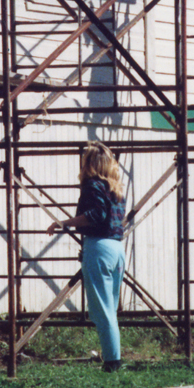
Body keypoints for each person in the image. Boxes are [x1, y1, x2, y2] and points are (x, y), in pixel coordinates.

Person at [46, 141, 128, 372]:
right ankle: (113, 357)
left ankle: (112, 361)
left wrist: (65, 223)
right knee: (109, 307)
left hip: (99, 247)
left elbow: (96, 215)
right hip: (116, 247)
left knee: (100, 309)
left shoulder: (92, 185)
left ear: (90, 163)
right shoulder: (117, 188)